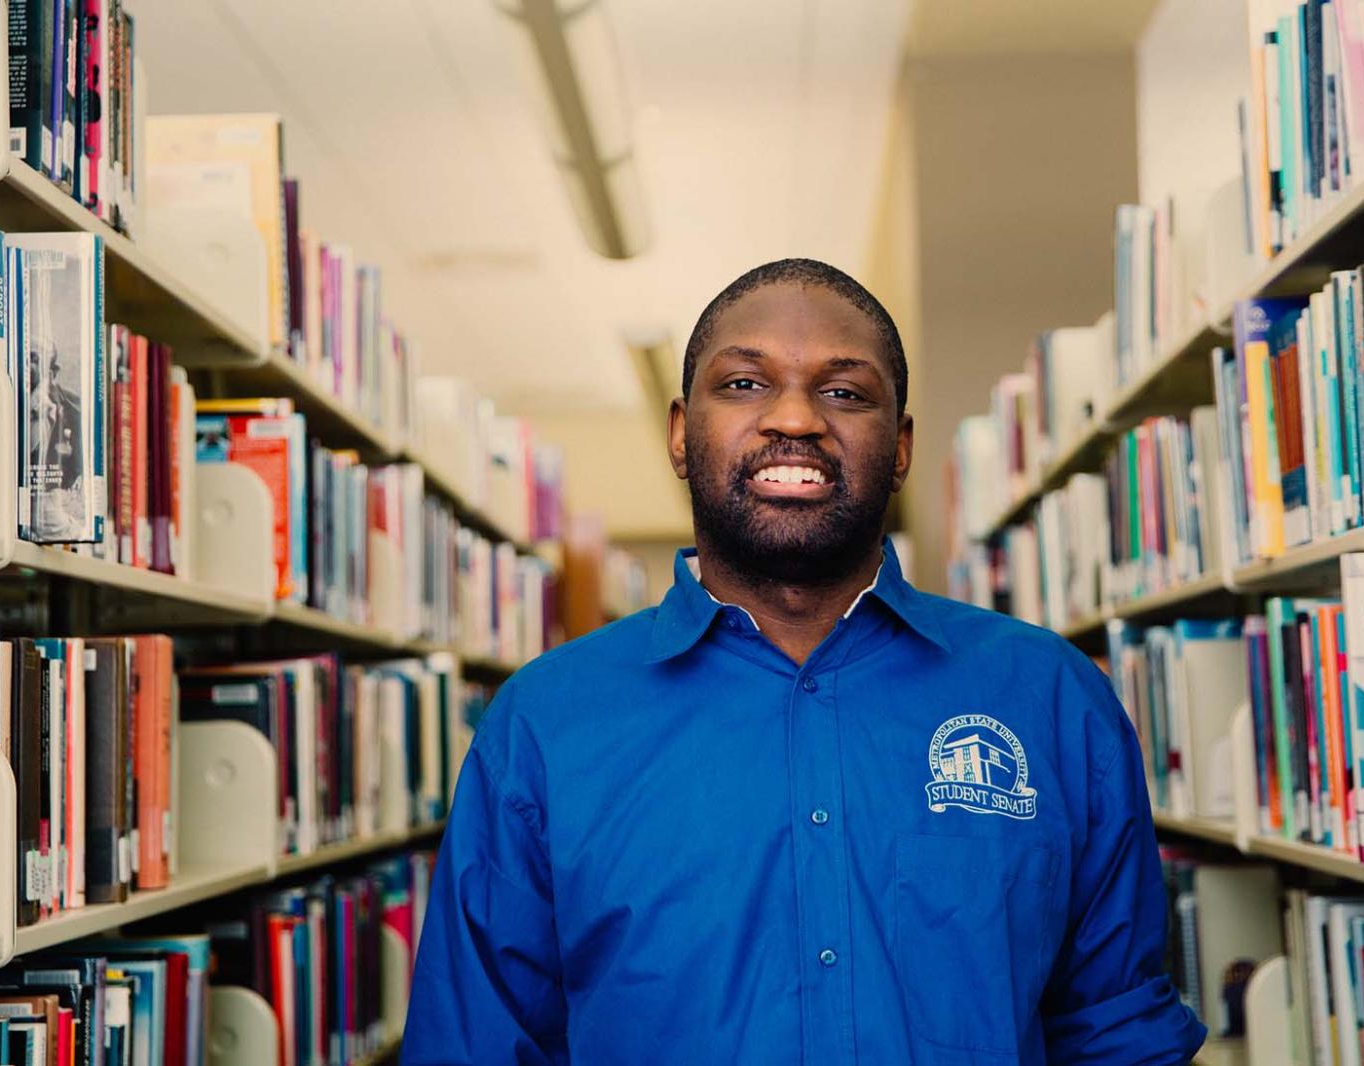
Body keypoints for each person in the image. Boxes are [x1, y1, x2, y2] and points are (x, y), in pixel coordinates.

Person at [403, 258, 1206, 1065]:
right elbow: (475, 1044)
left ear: (900, 447)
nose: (795, 418)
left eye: (845, 392)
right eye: (746, 385)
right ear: (682, 434)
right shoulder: (545, 723)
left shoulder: (1052, 699)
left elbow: (1118, 1032)